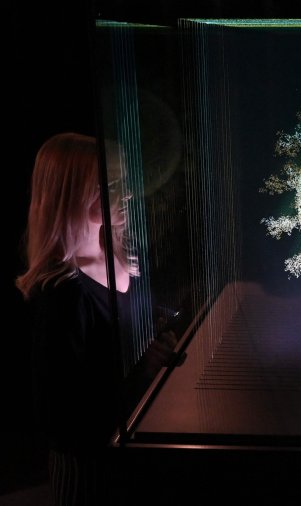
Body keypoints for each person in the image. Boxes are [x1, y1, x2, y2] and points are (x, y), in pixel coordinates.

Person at [16, 132, 177, 506]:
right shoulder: (62, 294)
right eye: (114, 185)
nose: (130, 195)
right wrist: (143, 373)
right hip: (91, 471)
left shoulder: (123, 258)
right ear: (74, 193)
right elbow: (61, 421)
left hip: (132, 458)